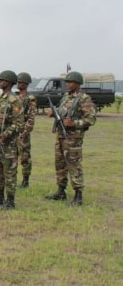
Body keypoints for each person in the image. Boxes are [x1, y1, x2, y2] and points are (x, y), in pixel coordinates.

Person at [45, 71, 97, 206]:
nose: (67, 84)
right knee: (60, 164)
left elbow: (91, 119)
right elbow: (62, 111)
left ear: (78, 83)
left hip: (73, 139)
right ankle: (61, 191)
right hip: (61, 136)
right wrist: (53, 112)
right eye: (67, 82)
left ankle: (78, 195)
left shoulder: (83, 99)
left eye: (70, 82)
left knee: (74, 165)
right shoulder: (65, 97)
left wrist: (75, 123)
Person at [0, 70, 24, 209]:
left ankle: (10, 201)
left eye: (2, 80)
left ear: (9, 82)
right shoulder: (2, 98)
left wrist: (6, 134)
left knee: (9, 171)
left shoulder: (14, 100)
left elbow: (19, 123)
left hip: (9, 143)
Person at [15, 72, 37, 188]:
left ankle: (25, 180)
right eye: (18, 82)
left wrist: (25, 131)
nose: (19, 84)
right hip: (13, 131)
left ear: (26, 84)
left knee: (25, 157)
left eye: (21, 82)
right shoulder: (15, 97)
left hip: (23, 132)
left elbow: (31, 117)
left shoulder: (30, 98)